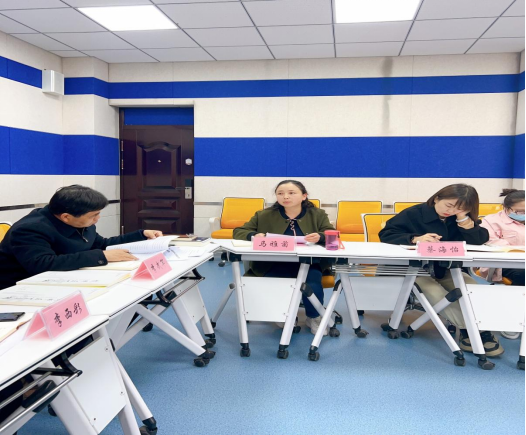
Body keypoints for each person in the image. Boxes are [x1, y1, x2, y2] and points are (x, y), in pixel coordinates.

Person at [379, 184, 504, 357]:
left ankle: (475, 330)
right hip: (413, 269)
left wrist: (464, 221)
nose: (450, 211)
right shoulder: (414, 213)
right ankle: (475, 331)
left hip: (444, 268)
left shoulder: (460, 218)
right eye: (449, 205)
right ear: (437, 198)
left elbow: (479, 241)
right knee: (436, 293)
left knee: (471, 289)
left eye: (459, 208)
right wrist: (415, 239)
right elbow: (386, 234)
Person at [0, 185, 163, 290]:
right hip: (20, 288)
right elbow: (43, 264)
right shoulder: (30, 229)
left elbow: (101, 244)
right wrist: (101, 256)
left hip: (62, 279)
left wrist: (140, 235)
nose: (97, 219)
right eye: (94, 215)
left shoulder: (80, 221)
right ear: (66, 217)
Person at [233, 180, 335, 335]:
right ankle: (284, 315)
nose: (285, 197)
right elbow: (238, 231)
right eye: (280, 193)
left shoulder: (317, 214)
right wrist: (254, 235)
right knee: (279, 280)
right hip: (274, 262)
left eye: (291, 193)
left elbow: (331, 234)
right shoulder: (264, 215)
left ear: (304, 196)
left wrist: (320, 236)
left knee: (312, 280)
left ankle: (314, 317)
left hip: (308, 262)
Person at [480, 189, 525, 285]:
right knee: (522, 274)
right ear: (506, 208)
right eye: (520, 212)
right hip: (503, 263)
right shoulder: (491, 221)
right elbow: (492, 243)